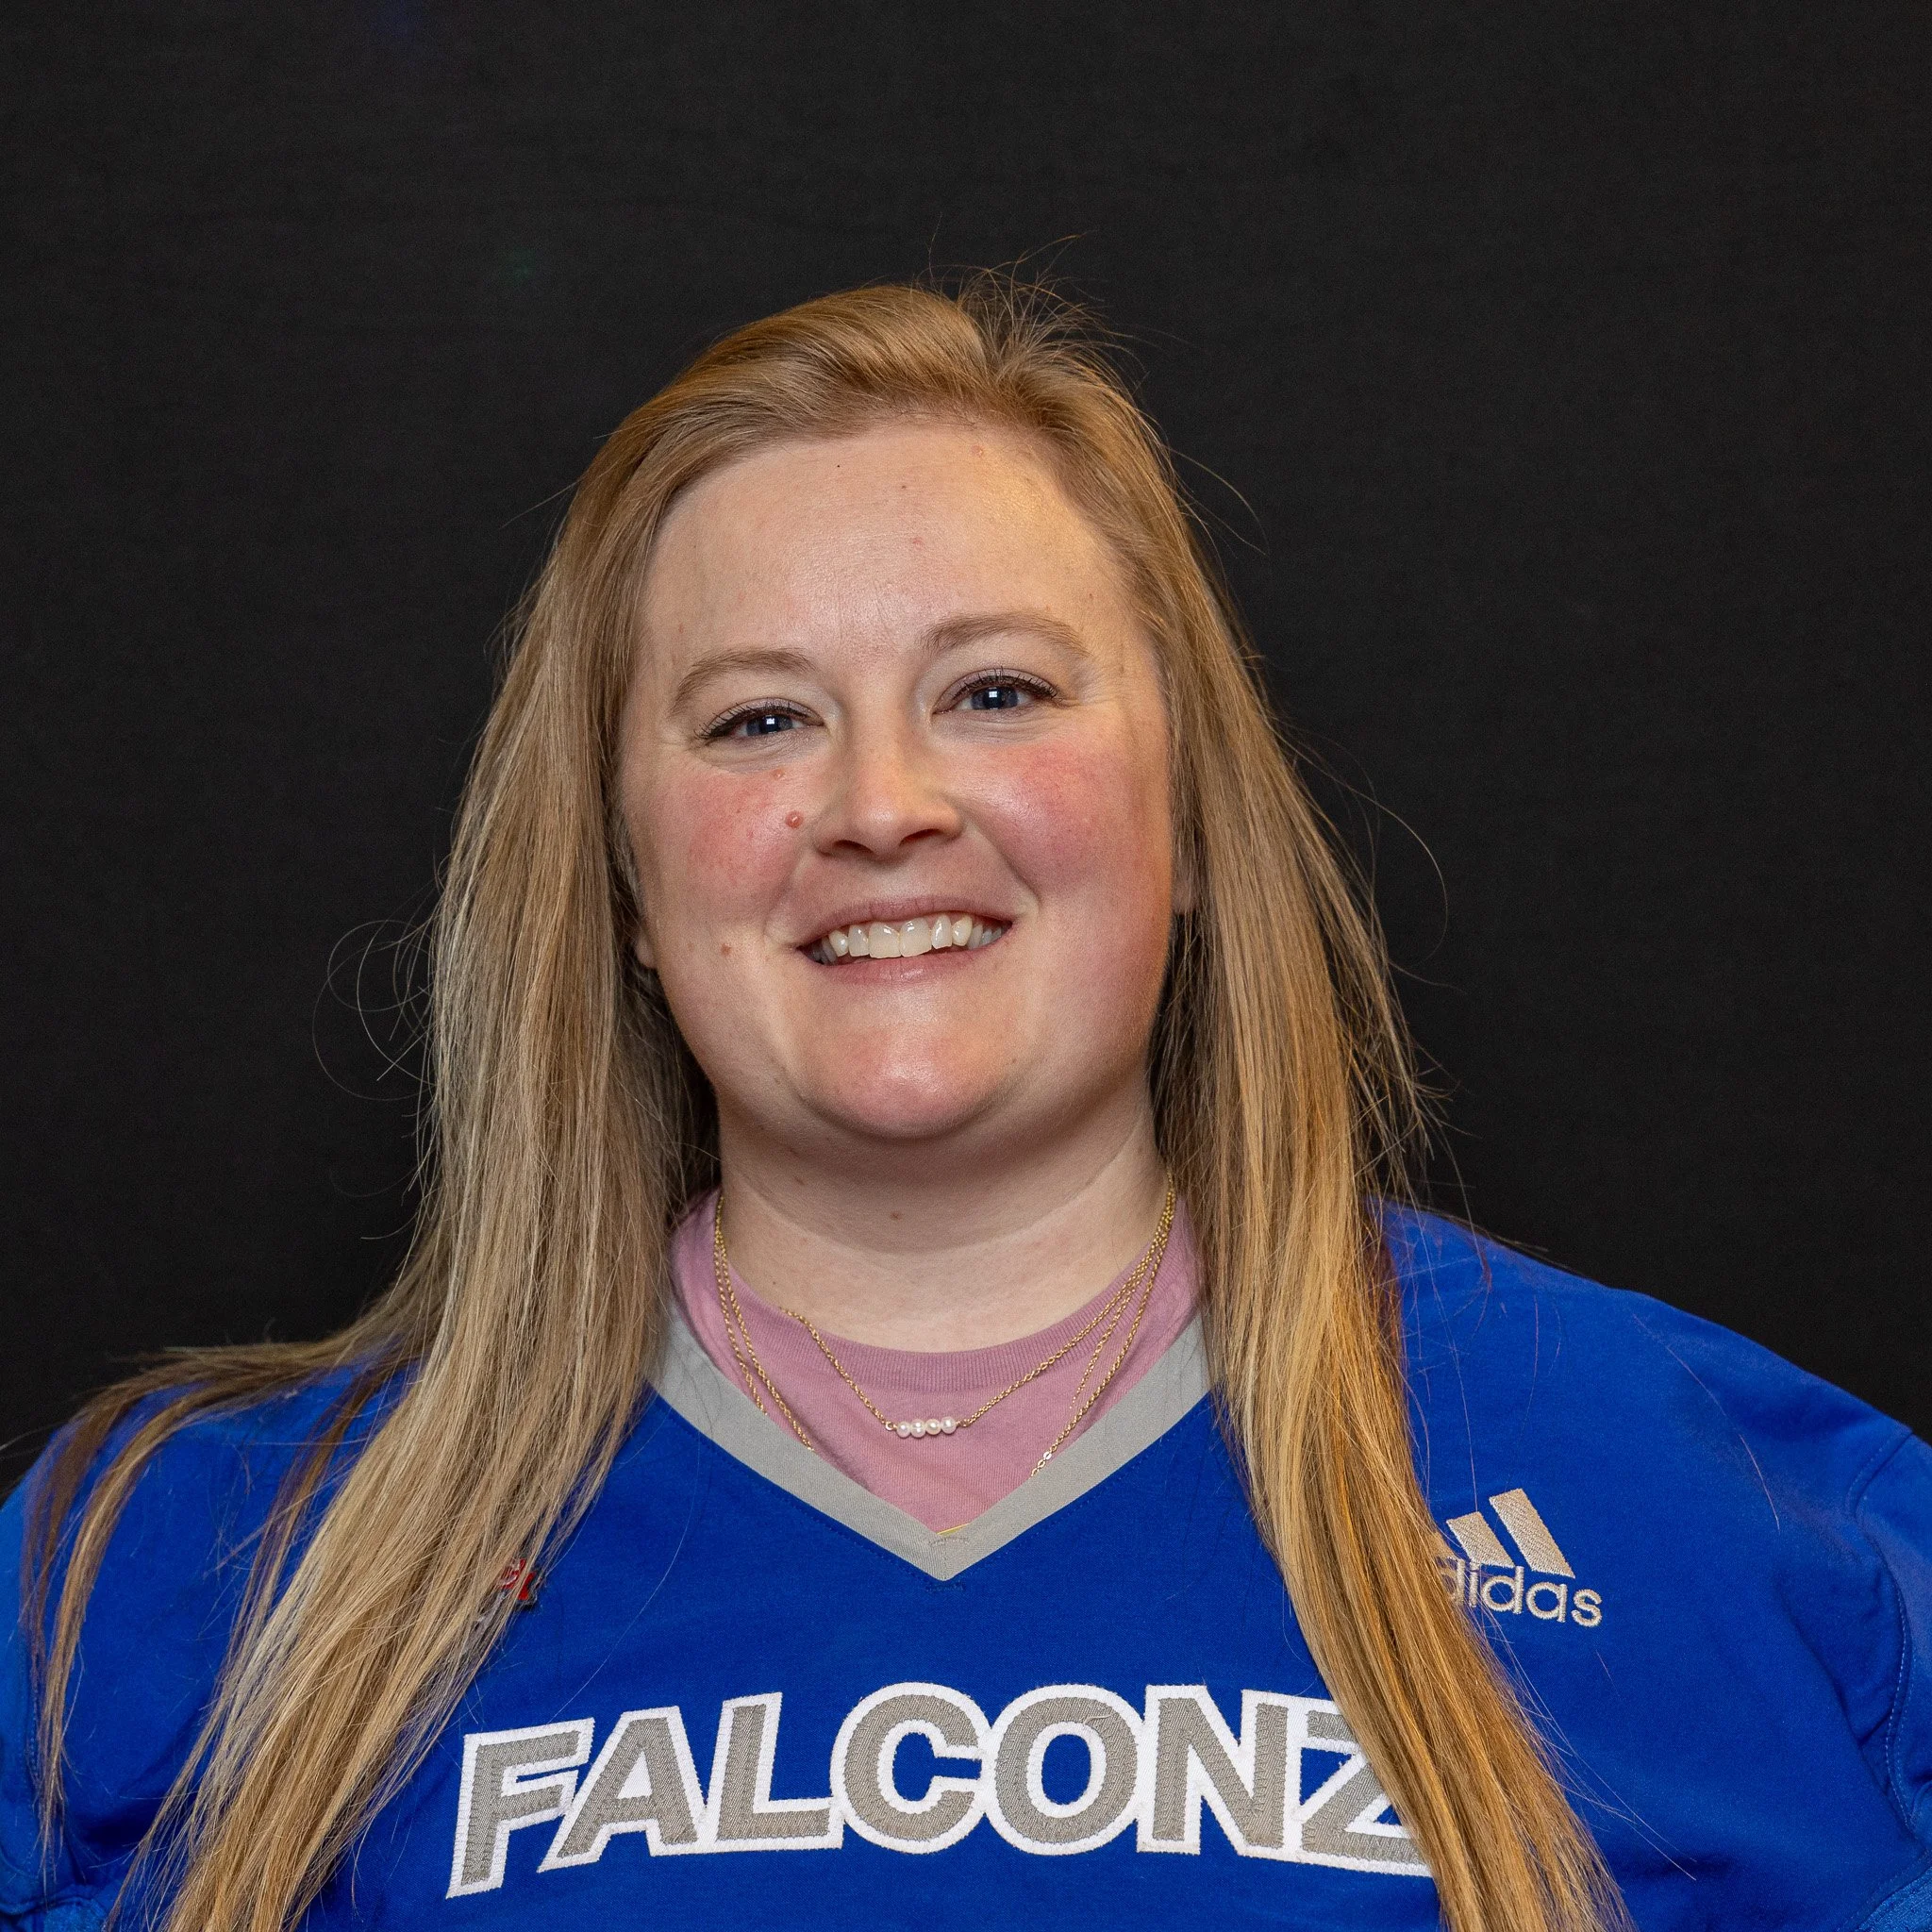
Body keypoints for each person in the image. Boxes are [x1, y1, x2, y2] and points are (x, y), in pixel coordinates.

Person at [3, 278, 1928, 1932]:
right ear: (625, 886)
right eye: (758, 716)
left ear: (1186, 821)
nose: (881, 802)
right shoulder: (181, 1567)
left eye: (997, 690)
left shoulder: (1703, 1503)